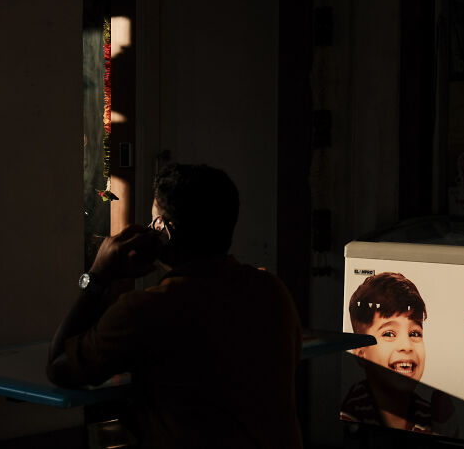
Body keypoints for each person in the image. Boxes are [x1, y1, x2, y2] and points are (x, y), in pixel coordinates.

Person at [47, 163, 303, 449]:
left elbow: (58, 367)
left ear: (164, 233)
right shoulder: (272, 291)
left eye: (154, 223)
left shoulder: (147, 309)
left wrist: (98, 276)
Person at [340, 272, 457, 436]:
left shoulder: (428, 414)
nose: (406, 346)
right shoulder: (352, 412)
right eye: (389, 334)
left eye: (414, 334)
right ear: (360, 352)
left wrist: (444, 428)